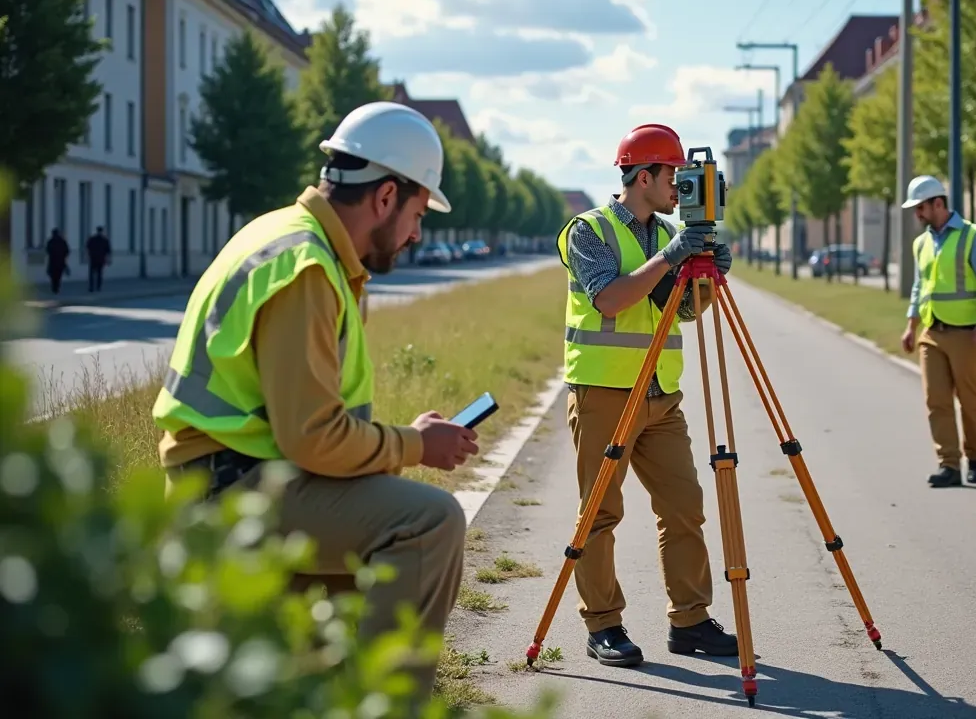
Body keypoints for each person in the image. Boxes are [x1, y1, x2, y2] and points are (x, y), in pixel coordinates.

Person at [151, 101, 479, 701]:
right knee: (428, 522)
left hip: (241, 476)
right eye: (416, 213)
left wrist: (405, 437)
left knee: (297, 657)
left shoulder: (290, 240)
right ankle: (389, 708)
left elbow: (304, 427)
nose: (416, 234)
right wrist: (414, 446)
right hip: (232, 490)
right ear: (384, 197)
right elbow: (312, 437)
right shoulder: (304, 267)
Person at [557, 122, 739, 667]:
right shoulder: (587, 230)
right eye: (674, 175)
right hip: (605, 393)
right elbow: (611, 299)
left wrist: (708, 281)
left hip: (661, 394)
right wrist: (675, 255)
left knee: (684, 508)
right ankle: (604, 625)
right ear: (643, 176)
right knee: (601, 513)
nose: (681, 187)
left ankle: (690, 621)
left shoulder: (666, 234)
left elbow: (678, 309)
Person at [899, 175, 976, 487]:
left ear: (939, 203)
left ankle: (975, 457)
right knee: (936, 400)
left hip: (966, 333)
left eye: (921, 207)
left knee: (970, 398)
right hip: (932, 332)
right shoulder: (921, 243)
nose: (917, 214)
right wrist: (911, 324)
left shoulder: (972, 236)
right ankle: (948, 464)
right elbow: (921, 286)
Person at [86, 226, 111, 292]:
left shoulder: (92, 239)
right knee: (99, 273)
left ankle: (91, 287)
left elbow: (88, 247)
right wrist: (108, 259)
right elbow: (108, 250)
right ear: (102, 231)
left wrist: (89, 254)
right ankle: (98, 287)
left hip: (93, 258)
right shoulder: (105, 240)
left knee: (92, 273)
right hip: (101, 259)